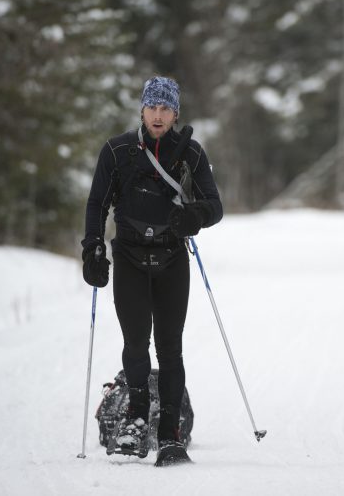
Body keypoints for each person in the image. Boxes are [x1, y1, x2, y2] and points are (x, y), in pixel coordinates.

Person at [81, 75, 222, 462]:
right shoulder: (117, 151)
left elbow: (215, 205)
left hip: (172, 260)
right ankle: (136, 420)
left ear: (176, 113)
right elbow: (97, 204)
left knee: (170, 349)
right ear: (142, 109)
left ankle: (170, 433)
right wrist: (92, 248)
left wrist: (194, 216)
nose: (158, 115)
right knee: (135, 343)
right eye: (152, 107)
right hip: (128, 256)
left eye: (166, 108)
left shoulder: (190, 152)